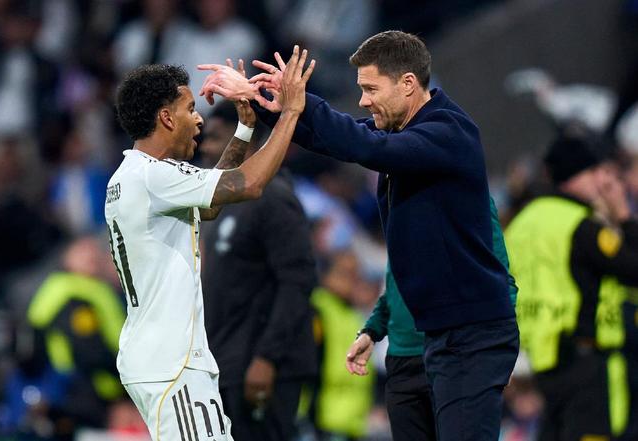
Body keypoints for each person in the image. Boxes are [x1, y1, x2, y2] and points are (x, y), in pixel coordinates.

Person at [199, 30, 519, 440]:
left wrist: (300, 102)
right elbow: (334, 136)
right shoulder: (406, 132)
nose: (364, 100)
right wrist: (267, 101)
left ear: (408, 83)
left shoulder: (449, 131)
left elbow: (364, 146)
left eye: (370, 89)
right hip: (440, 333)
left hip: (473, 332)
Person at [104, 47, 315, 441]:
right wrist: (291, 113)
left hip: (163, 358)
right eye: (189, 109)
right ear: (166, 118)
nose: (199, 118)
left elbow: (212, 204)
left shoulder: (138, 175)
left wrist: (246, 129)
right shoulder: (152, 178)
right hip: (172, 362)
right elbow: (250, 184)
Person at [346, 197, 518, 441]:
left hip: (454, 355)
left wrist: (497, 348)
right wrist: (372, 331)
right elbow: (396, 284)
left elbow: (500, 279)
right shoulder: (399, 198)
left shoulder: (469, 192)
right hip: (402, 363)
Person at [504, 126, 638, 441]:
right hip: (584, 355)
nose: (601, 181)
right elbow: (634, 268)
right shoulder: (579, 224)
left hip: (540, 359)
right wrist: (622, 213)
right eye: (594, 172)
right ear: (577, 175)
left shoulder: (521, 223)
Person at [199, 100, 317, 441]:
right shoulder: (221, 205)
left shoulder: (274, 198)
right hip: (228, 364)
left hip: (261, 368)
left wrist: (267, 358)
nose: (205, 148)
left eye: (215, 137)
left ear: (246, 139)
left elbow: (298, 281)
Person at [309, 251, 375, 441]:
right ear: (327, 275)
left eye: (355, 274)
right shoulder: (317, 309)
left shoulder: (354, 315)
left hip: (353, 423)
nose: (352, 280)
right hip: (324, 422)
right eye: (344, 273)